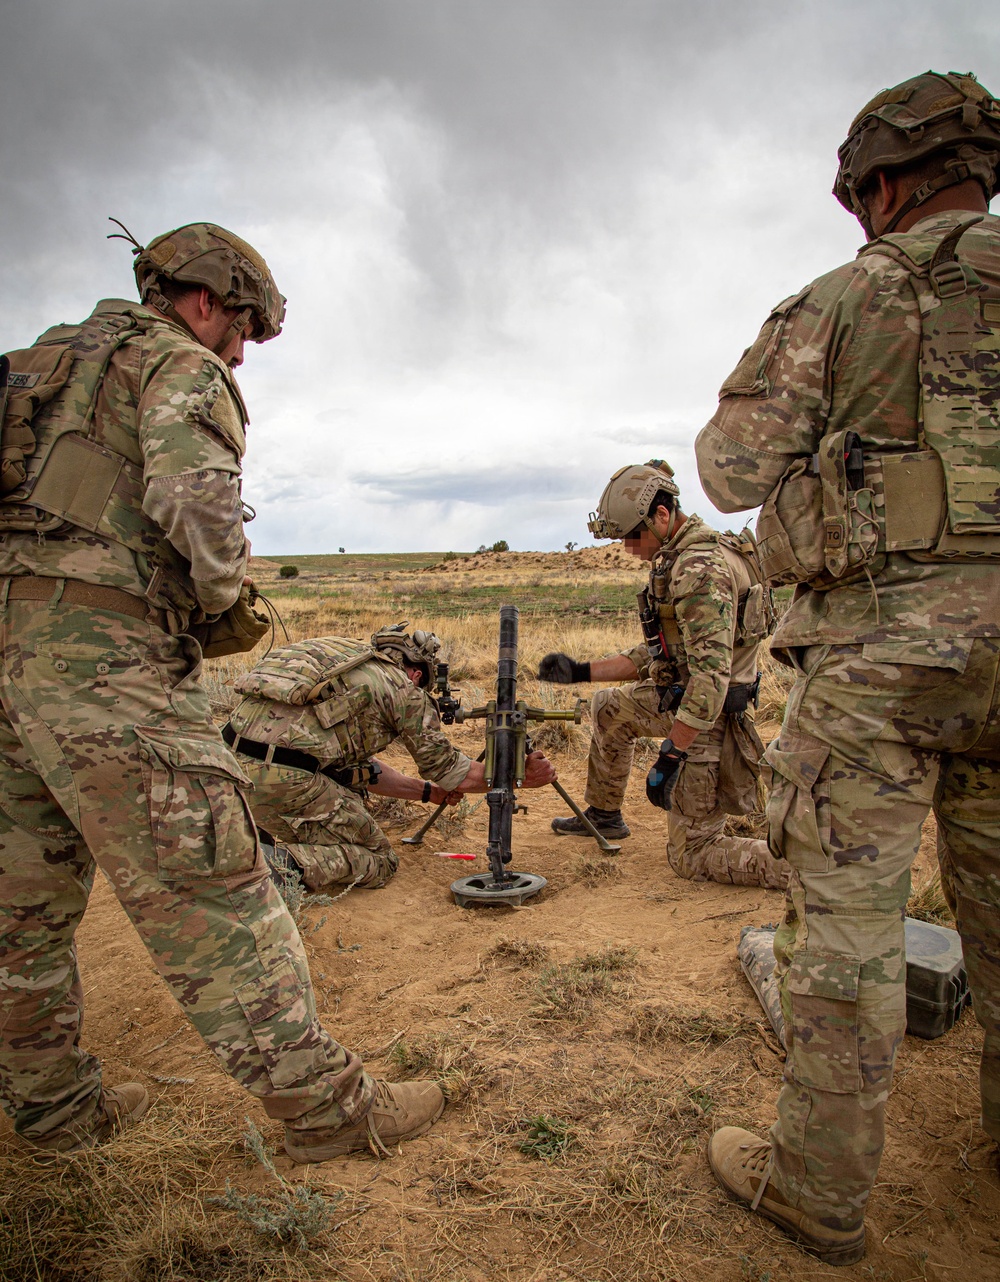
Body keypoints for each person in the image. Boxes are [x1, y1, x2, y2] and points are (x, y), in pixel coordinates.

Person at [0, 223, 442, 1163]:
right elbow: (199, 505)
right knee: (219, 889)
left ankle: (53, 1113)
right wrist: (219, 604)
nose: (239, 353)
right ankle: (330, 1112)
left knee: (19, 911)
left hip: (10, 664)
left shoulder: (37, 367)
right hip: (104, 668)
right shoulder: (176, 365)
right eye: (241, 331)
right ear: (207, 300)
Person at [695, 70, 1000, 1265]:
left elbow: (729, 466)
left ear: (877, 184)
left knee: (847, 938)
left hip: (882, 656)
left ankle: (819, 1188)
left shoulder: (846, 297)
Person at [539, 460, 788, 891]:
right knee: (610, 708)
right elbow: (660, 652)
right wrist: (580, 672)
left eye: (632, 537)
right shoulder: (684, 554)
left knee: (693, 856)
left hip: (707, 722)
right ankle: (604, 814)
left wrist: (671, 754)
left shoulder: (698, 568)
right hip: (684, 700)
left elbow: (710, 681)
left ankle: (810, 874)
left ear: (661, 515)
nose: (629, 549)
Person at [221, 623, 557, 894]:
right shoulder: (404, 691)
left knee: (330, 784)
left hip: (226, 770)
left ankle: (250, 838)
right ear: (415, 674)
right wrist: (521, 777)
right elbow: (456, 774)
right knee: (379, 860)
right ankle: (272, 866)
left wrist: (429, 792)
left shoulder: (343, 663)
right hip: (282, 781)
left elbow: (362, 771)